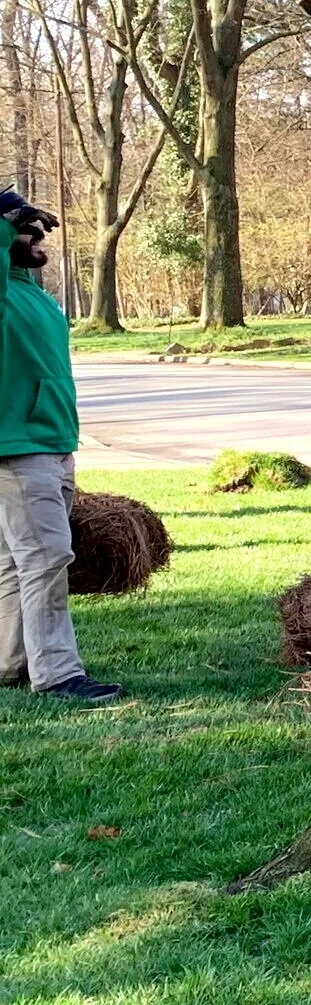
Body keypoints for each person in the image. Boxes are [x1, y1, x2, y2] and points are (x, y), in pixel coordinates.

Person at [0, 187, 120, 703]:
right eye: (24, 228)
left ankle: (11, 664)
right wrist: (5, 217)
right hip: (17, 449)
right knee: (47, 557)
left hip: (49, 444)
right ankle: (57, 674)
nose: (36, 233)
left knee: (14, 561)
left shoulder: (26, 291)